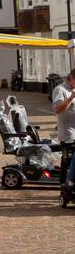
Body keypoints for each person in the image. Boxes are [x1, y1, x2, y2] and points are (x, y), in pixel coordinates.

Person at [52, 68, 75, 202]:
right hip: (68, 135)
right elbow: (58, 109)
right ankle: (64, 190)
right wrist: (71, 97)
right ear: (71, 78)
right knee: (68, 165)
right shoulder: (60, 90)